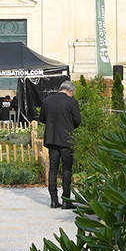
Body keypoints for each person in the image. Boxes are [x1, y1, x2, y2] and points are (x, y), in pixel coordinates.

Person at [40, 80, 82, 210]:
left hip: (52, 140)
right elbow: (78, 120)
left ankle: (53, 200)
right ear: (70, 91)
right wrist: (70, 127)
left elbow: (42, 119)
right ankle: (66, 200)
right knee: (67, 170)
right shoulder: (72, 101)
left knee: (53, 169)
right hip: (66, 140)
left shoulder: (47, 101)